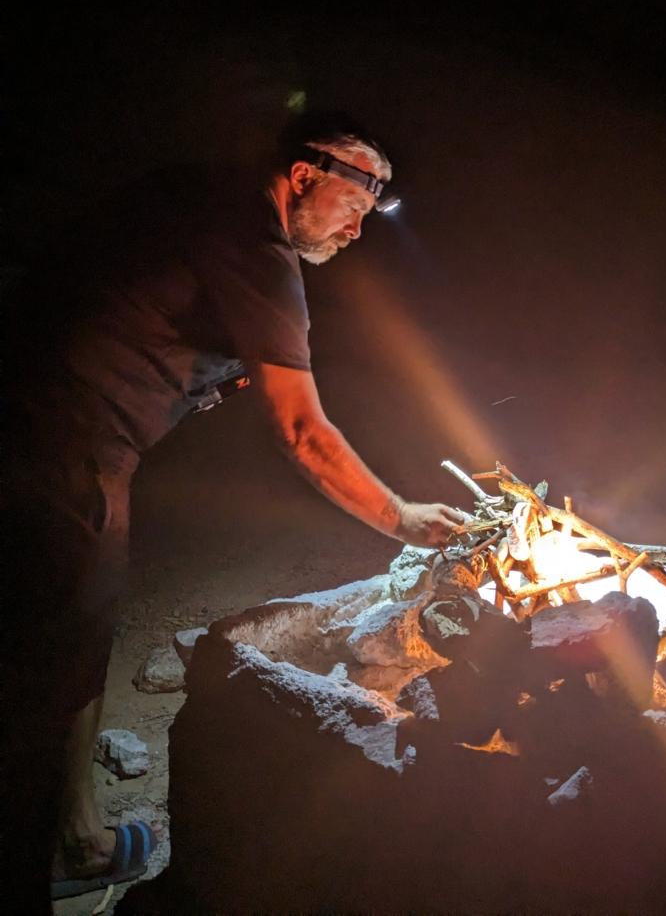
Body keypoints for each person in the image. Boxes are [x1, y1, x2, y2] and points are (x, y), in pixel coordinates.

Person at [0, 111, 461, 909]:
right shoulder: (255, 244)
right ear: (304, 175)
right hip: (57, 447)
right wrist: (403, 518)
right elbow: (302, 431)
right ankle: (57, 849)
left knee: (71, 632)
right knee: (50, 655)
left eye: (379, 201)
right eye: (360, 193)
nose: (361, 223)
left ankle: (80, 828)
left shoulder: (194, 199)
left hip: (41, 424)